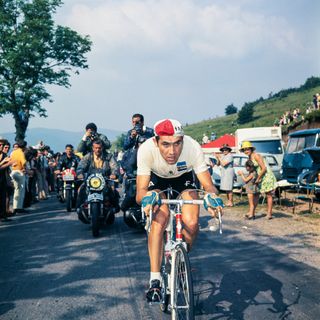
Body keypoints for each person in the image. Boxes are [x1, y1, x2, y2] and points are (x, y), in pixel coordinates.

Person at [136, 119, 223, 303]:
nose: (172, 151)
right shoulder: (145, 149)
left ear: (183, 140)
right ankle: (155, 280)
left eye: (177, 143)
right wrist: (147, 198)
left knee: (191, 223)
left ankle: (182, 257)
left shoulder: (192, 147)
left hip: (184, 179)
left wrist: (211, 197)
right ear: (156, 141)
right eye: (165, 144)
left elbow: (208, 185)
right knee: (160, 218)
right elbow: (140, 193)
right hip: (157, 181)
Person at [76, 139, 120, 219]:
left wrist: (114, 173)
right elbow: (81, 166)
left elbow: (115, 166)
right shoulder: (88, 156)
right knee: (80, 190)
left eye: (99, 148)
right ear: (93, 148)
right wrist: (80, 173)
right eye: (96, 148)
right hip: (90, 180)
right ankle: (79, 208)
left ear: (102, 148)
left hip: (105, 180)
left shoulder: (108, 156)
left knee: (113, 190)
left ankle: (114, 208)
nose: (97, 150)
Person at [240, 141, 277, 220]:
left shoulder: (256, 156)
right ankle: (251, 212)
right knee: (256, 194)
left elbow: (264, 168)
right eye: (244, 150)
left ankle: (269, 213)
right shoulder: (249, 157)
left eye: (247, 149)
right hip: (258, 177)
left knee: (269, 194)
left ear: (251, 149)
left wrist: (258, 178)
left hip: (266, 176)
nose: (246, 151)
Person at [10, 140, 27, 214]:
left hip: (13, 171)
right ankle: (19, 207)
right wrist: (25, 169)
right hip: (19, 172)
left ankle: (15, 206)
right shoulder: (21, 153)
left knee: (16, 190)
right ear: (23, 146)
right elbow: (24, 162)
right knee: (21, 190)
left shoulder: (13, 152)